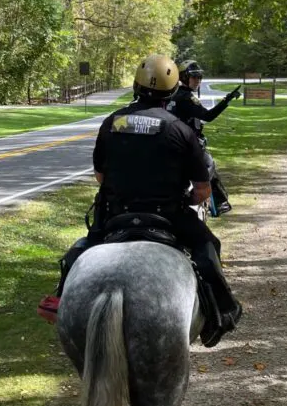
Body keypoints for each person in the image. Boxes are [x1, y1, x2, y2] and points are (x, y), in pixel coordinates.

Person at [37, 55, 242, 346]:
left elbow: (99, 175)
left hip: (115, 212)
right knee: (208, 247)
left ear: (135, 85)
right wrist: (188, 196)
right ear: (172, 90)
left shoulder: (113, 122)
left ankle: (59, 297)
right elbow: (202, 190)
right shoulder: (181, 130)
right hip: (168, 215)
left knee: (83, 247)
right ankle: (222, 311)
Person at [167, 61, 241, 214]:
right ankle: (220, 204)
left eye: (200, 77)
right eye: (194, 77)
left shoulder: (169, 95)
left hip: (169, 143)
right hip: (187, 145)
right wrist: (226, 100)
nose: (198, 80)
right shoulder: (187, 97)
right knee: (209, 164)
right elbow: (208, 116)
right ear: (183, 77)